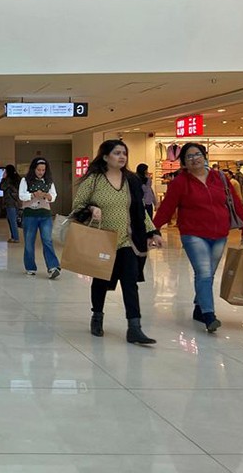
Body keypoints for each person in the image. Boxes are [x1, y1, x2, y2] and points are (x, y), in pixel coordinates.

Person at [72, 140, 163, 345]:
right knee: (101, 281)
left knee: (130, 282)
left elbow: (139, 211)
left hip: (126, 240)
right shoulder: (94, 180)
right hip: (102, 240)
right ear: (105, 157)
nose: (122, 157)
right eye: (117, 153)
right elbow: (78, 205)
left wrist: (153, 231)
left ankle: (135, 327)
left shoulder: (130, 180)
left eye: (124, 153)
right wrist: (91, 209)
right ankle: (97, 316)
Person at [153, 142, 243, 333]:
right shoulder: (180, 183)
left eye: (197, 154)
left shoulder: (220, 178)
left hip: (220, 233)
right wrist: (153, 229)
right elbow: (167, 208)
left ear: (205, 156)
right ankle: (209, 315)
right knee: (204, 273)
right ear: (183, 162)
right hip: (193, 234)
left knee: (209, 274)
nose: (194, 159)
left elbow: (235, 204)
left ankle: (199, 307)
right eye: (189, 157)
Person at [19, 157, 61, 278]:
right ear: (34, 169)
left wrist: (49, 197)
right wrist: (32, 195)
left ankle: (53, 267)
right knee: (29, 241)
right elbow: (21, 195)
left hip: (45, 215)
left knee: (47, 240)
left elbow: (54, 196)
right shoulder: (25, 180)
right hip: (30, 215)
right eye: (39, 170)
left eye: (43, 170)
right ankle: (30, 267)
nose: (41, 172)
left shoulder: (49, 181)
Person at [0, 164, 22, 243]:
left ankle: (15, 237)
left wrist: (3, 178)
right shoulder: (17, 178)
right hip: (15, 202)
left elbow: (1, 187)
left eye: (5, 171)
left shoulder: (8, 180)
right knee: (12, 220)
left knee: (12, 220)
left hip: (10, 203)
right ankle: (13, 237)